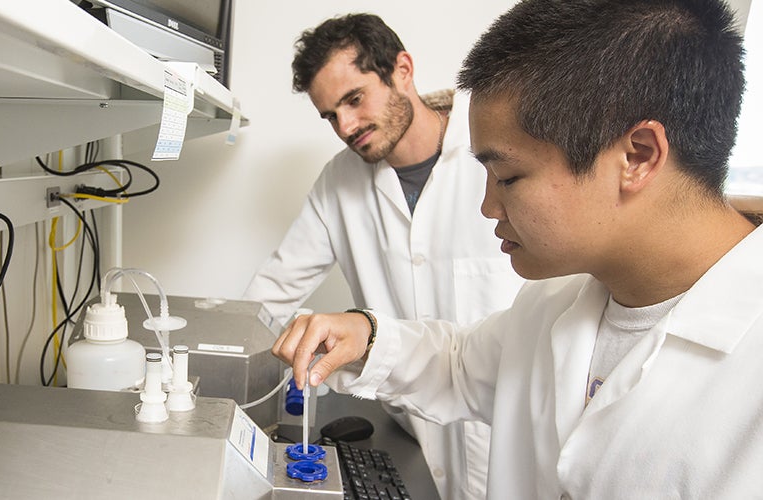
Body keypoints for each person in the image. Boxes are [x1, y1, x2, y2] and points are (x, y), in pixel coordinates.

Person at [272, 0, 762, 497]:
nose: (487, 206)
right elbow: (462, 364)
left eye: (507, 177)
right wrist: (366, 333)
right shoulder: (554, 304)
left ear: (637, 156)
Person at [243, 13, 523, 500]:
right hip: (411, 436)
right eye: (330, 115)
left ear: (403, 71)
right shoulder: (339, 182)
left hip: (507, 440)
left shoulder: (500, 156)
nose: (346, 126)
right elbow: (268, 298)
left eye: (354, 99)